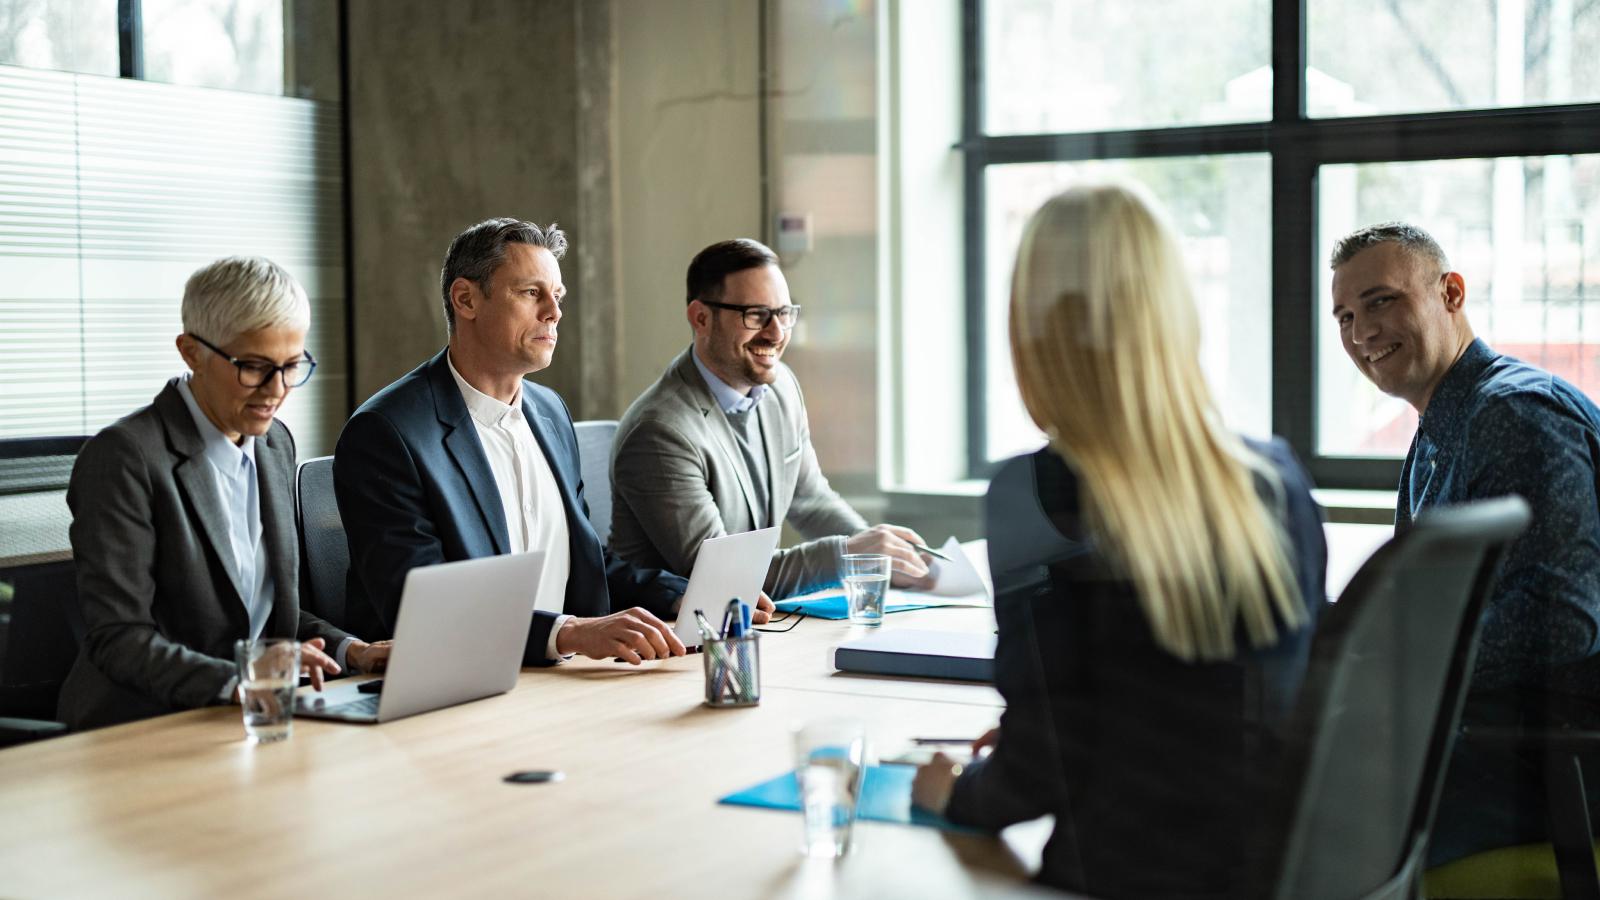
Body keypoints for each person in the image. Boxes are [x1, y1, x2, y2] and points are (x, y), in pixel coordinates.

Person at [910, 183, 1326, 897]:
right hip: (1274, 872)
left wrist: (955, 790)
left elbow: (1043, 769)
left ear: (1033, 330)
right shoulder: (1273, 478)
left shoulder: (1036, 495)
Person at [1328, 221, 1600, 864]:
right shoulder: (1445, 421)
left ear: (1451, 293)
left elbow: (1564, 620)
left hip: (1549, 759)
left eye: (1381, 301)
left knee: (1290, 808)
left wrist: (1398, 672)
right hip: (1494, 737)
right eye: (1344, 315)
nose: (1361, 332)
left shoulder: (1515, 411)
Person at [334, 218, 693, 665]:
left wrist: (685, 596)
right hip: (451, 688)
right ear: (465, 299)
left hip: (563, 679)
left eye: (557, 297)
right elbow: (424, 606)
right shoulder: (388, 433)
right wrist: (570, 633)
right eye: (531, 293)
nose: (554, 313)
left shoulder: (550, 412)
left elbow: (582, 559)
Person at [58, 257, 390, 731]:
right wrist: (248, 677)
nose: (276, 390)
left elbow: (268, 614)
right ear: (191, 352)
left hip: (251, 715)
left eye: (292, 366)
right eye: (254, 367)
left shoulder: (274, 443)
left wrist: (350, 650)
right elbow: (119, 638)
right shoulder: (125, 457)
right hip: (143, 725)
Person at [609, 238, 935, 600]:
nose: (777, 333)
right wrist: (849, 555)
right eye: (756, 315)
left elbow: (811, 501)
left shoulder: (780, 387)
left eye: (783, 313)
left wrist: (881, 557)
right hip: (674, 642)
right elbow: (723, 579)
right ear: (701, 318)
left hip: (757, 625)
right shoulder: (661, 431)